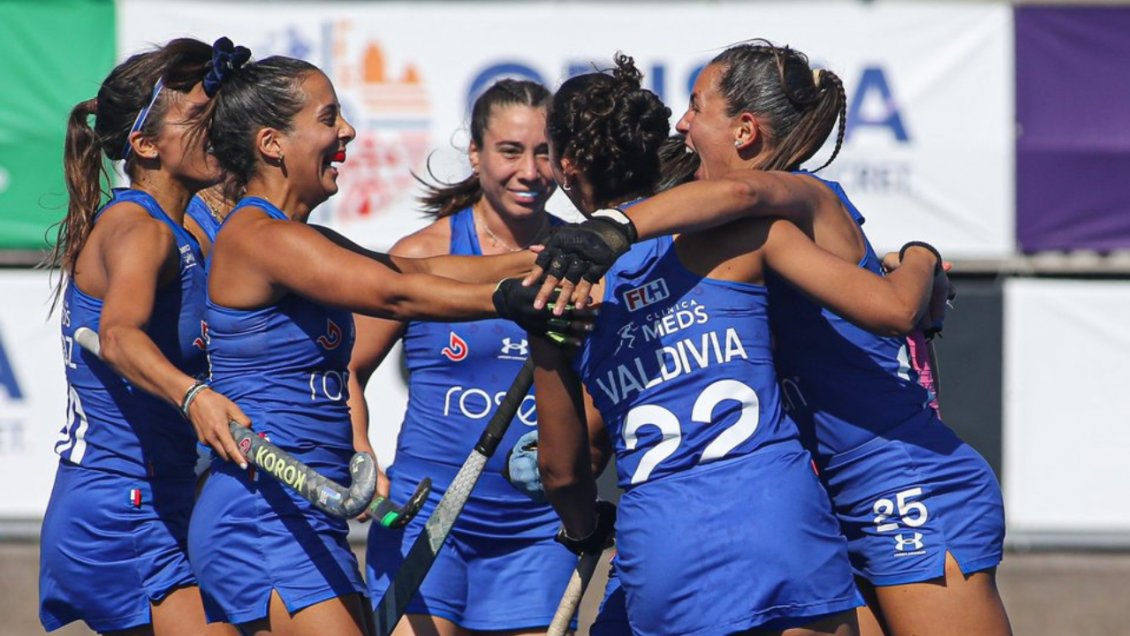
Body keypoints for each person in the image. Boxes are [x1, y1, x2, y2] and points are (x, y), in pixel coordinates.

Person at [531, 41, 1009, 636]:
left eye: (696, 107)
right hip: (816, 494)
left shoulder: (802, 195)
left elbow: (747, 195)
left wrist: (921, 256)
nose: (681, 124)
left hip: (898, 476)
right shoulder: (719, 240)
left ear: (745, 131)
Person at [185, 55, 587, 636]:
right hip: (264, 509)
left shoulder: (299, 236)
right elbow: (397, 295)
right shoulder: (260, 237)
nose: (347, 131)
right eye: (329, 118)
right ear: (272, 144)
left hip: (301, 509)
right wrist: (509, 300)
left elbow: (416, 268)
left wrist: (544, 259)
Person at [351, 79, 583, 636]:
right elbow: (347, 368)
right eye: (511, 151)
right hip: (426, 519)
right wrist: (359, 452)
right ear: (475, 153)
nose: (530, 171)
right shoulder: (421, 254)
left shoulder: (583, 257)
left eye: (545, 153)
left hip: (539, 532)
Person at [40, 38, 249, 635]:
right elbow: (118, 337)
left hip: (165, 494)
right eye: (199, 119)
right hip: (118, 508)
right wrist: (195, 396)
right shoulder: (138, 230)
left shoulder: (192, 225)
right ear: (145, 145)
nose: (216, 131)